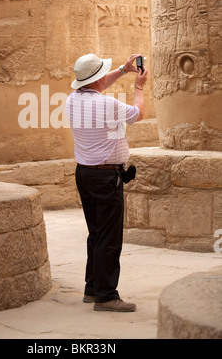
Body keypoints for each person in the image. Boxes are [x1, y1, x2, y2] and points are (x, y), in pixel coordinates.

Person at [65, 53, 148, 312]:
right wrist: (139, 87)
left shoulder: (72, 99)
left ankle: (93, 288)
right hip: (105, 177)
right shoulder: (107, 105)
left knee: (97, 233)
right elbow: (138, 114)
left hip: (85, 174)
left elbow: (95, 85)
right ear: (99, 78)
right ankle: (106, 296)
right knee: (110, 237)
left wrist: (123, 70)